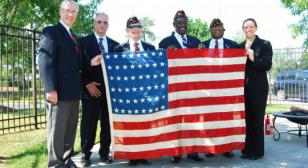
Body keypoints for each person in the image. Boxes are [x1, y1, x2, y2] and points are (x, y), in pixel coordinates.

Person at [37, 0, 81, 167]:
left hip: (73, 93)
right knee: (57, 130)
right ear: (60, 12)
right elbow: (44, 60)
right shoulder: (51, 32)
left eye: (74, 12)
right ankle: (55, 163)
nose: (71, 14)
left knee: (70, 130)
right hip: (58, 93)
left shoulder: (74, 36)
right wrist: (50, 88)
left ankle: (67, 159)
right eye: (67, 11)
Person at [158, 10, 203, 164]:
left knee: (193, 120)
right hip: (175, 88)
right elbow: (160, 66)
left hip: (193, 88)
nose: (182, 25)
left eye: (184, 22)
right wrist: (166, 53)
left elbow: (202, 64)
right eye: (179, 22)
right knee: (176, 121)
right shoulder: (164, 43)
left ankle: (193, 151)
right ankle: (176, 152)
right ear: (174, 24)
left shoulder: (196, 41)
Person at [79, 12, 119, 167]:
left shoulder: (115, 45)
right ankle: (85, 154)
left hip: (110, 92)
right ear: (93, 23)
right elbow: (77, 65)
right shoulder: (83, 42)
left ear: (108, 25)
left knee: (107, 124)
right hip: (90, 90)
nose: (102, 25)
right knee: (89, 123)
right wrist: (87, 83)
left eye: (105, 23)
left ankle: (104, 153)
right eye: (99, 22)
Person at [115, 16, 155, 167]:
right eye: (132, 27)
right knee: (130, 125)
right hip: (128, 95)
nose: (136, 29)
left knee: (145, 124)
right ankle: (132, 155)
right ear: (127, 30)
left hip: (146, 94)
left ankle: (143, 153)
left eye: (138, 27)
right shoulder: (119, 49)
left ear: (142, 29)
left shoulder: (151, 48)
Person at [201, 18, 238, 159]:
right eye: (214, 28)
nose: (217, 30)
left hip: (226, 89)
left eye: (219, 28)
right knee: (209, 119)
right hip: (208, 89)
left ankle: (226, 147)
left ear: (223, 30)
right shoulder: (202, 45)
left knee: (226, 118)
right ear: (210, 31)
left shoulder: (232, 45)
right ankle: (210, 147)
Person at [239, 18, 273, 160]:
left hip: (259, 89)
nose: (249, 29)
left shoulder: (264, 44)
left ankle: (257, 151)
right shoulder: (239, 46)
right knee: (246, 120)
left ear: (256, 28)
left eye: (251, 27)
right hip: (243, 89)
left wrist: (253, 57)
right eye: (246, 27)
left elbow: (267, 65)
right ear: (243, 29)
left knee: (257, 119)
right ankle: (247, 149)